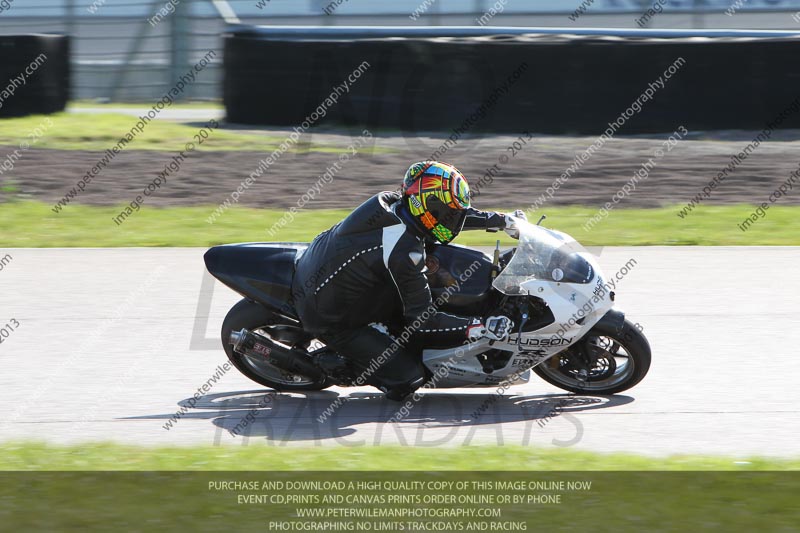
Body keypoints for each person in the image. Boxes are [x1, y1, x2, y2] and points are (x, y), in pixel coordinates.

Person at [292, 161, 524, 400]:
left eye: (453, 212)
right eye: (447, 212)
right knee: (408, 377)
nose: (452, 218)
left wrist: (501, 220)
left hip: (336, 274)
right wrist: (479, 327)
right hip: (330, 313)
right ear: (426, 207)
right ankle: (336, 365)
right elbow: (422, 319)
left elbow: (451, 216)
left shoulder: (397, 203)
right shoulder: (403, 250)